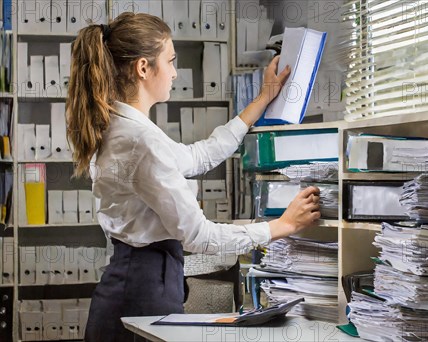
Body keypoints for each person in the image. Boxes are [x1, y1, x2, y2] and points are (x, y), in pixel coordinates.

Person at [66, 12, 321, 341]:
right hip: (141, 289)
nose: (175, 72)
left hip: (140, 280)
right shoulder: (138, 140)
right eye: (170, 61)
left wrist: (262, 99)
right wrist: (282, 226)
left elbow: (200, 156)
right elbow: (199, 236)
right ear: (143, 68)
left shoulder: (129, 129)